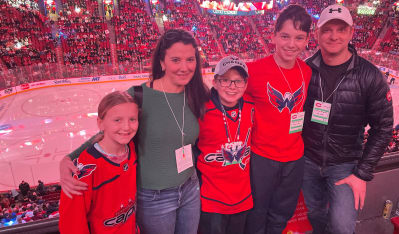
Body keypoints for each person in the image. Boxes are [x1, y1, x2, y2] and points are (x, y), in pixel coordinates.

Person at [59, 29, 210, 234]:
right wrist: (69, 158)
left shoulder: (198, 94)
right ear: (162, 62)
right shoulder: (139, 96)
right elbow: (109, 132)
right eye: (176, 60)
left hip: (190, 188)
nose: (184, 67)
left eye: (190, 59)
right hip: (155, 198)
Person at [302, 4, 393, 234]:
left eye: (341, 29)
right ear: (317, 33)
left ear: (352, 33)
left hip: (345, 166)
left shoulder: (370, 76)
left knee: (342, 227)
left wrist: (362, 173)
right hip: (307, 161)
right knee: (315, 215)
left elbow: (383, 128)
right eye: (327, 29)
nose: (334, 36)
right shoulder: (304, 71)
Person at [244, 5, 312, 234]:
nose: (291, 44)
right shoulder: (253, 71)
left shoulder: (307, 71)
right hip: (261, 158)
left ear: (306, 40)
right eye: (285, 36)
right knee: (256, 214)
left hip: (295, 158)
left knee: (281, 214)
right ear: (273, 35)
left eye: (299, 38)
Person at [59, 91, 139, 234]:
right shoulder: (82, 171)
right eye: (117, 120)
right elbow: (72, 226)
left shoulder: (132, 149)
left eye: (132, 119)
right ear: (100, 124)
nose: (126, 127)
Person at [197, 56, 254, 234]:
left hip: (242, 198)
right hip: (211, 201)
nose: (232, 86)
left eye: (238, 81)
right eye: (225, 80)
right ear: (215, 82)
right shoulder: (201, 110)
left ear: (245, 84)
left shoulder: (251, 107)